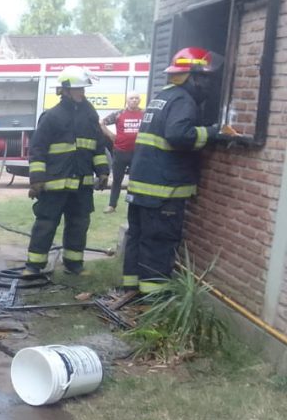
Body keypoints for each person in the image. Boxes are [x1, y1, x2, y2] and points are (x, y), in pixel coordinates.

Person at [121, 46, 234, 296]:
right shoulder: (183, 100)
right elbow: (177, 134)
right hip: (163, 189)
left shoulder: (163, 96)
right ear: (193, 77)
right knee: (159, 242)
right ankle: (154, 298)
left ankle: (131, 289)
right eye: (205, 78)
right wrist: (212, 132)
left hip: (142, 186)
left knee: (138, 238)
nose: (207, 85)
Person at [23, 66, 110, 276]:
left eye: (83, 89)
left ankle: (74, 264)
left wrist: (103, 171)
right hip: (55, 183)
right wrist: (36, 180)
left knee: (79, 224)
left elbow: (98, 146)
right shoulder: (52, 116)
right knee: (46, 224)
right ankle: (34, 266)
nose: (83, 93)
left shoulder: (90, 114)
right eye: (79, 89)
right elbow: (38, 150)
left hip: (82, 184)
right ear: (66, 90)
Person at [100, 93, 144, 213]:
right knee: (117, 180)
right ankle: (112, 205)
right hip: (120, 152)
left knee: (136, 180)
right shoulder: (119, 114)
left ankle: (134, 205)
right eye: (131, 98)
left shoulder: (144, 114)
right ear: (127, 100)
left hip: (138, 152)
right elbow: (101, 122)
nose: (134, 100)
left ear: (140, 100)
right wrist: (110, 134)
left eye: (136, 98)